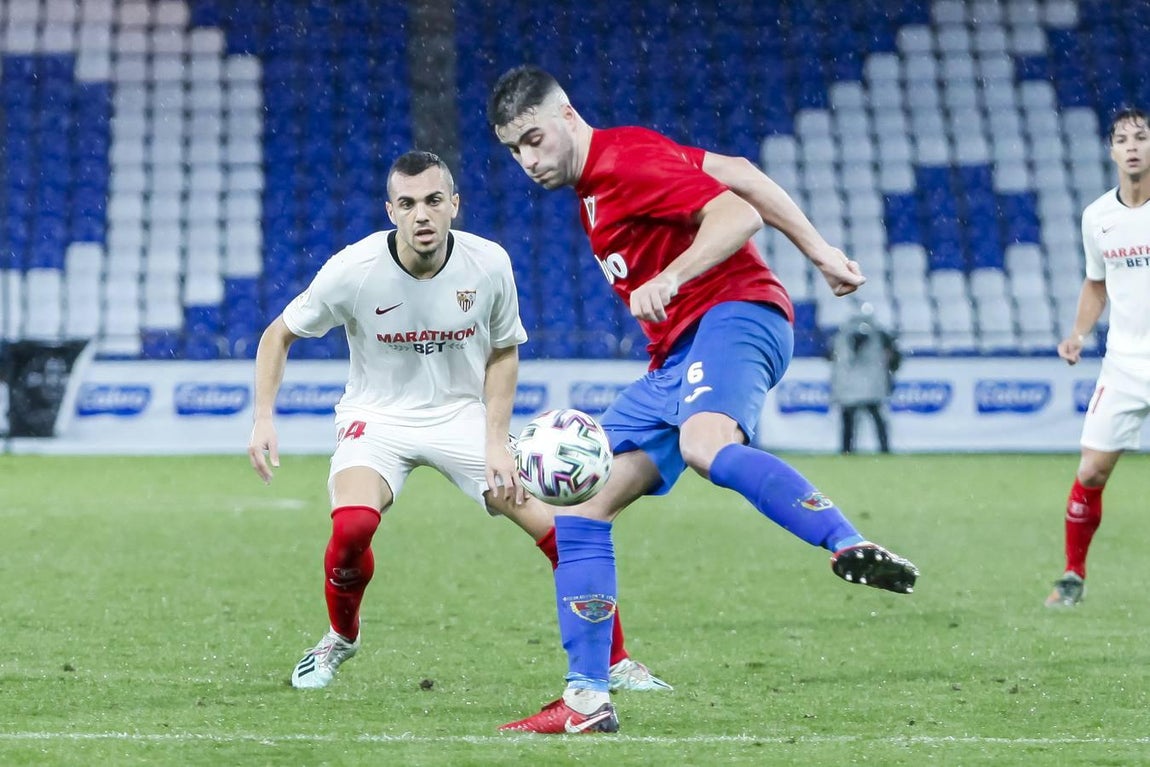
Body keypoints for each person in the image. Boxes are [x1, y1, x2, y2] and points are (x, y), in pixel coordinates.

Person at [487, 66, 920, 734]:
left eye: (535, 140)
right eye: (515, 151)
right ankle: (585, 700)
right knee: (580, 510)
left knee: (704, 445)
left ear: (567, 116)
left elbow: (736, 212)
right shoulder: (602, 181)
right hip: (676, 356)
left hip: (733, 314)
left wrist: (673, 274)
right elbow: (740, 170)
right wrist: (821, 250)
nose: (529, 161)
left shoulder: (623, 161)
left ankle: (847, 541)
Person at [246, 150, 669, 692]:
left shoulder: (489, 263)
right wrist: (263, 417)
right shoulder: (353, 270)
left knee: (561, 531)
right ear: (390, 211)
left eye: (432, 201)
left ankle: (615, 660)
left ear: (454, 205)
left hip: (462, 417)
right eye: (407, 203)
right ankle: (340, 637)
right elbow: (277, 334)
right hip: (377, 417)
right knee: (352, 528)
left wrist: (496, 441)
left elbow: (504, 351)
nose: (421, 214)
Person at [1045, 107, 1150, 608]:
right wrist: (1078, 334)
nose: (1132, 146)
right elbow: (1096, 282)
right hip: (1126, 364)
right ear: (1111, 151)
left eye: (1142, 138)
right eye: (1123, 139)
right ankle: (1072, 575)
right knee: (1090, 473)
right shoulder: (1097, 217)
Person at [828, 302, 900, 454]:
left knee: (849, 421)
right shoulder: (881, 335)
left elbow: (829, 356)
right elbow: (895, 359)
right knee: (877, 419)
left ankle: (847, 451)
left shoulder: (841, 335)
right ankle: (884, 450)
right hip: (873, 384)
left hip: (848, 385)